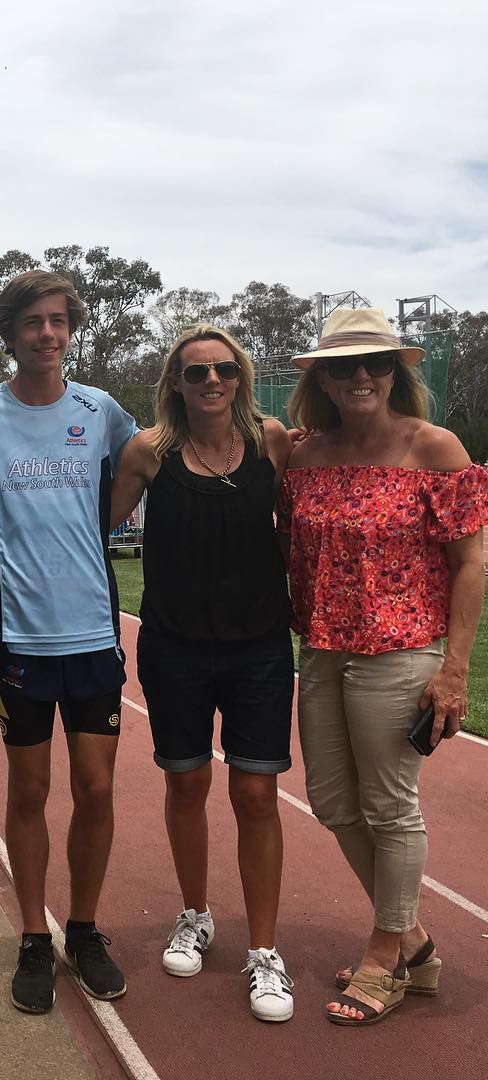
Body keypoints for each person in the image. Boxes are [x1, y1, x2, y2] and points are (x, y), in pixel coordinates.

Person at [279, 307, 487, 1026]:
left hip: (402, 651)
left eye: (375, 362)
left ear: (396, 372)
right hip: (323, 650)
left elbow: (470, 564)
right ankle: (417, 942)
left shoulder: (434, 448)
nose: (360, 375)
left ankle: (387, 951)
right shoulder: (304, 457)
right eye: (344, 365)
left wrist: (455, 670)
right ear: (322, 379)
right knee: (333, 802)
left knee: (391, 807)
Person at [0, 270, 138, 1014]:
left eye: (58, 320)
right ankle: (32, 935)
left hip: (92, 632)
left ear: (71, 329)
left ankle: (83, 929)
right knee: (29, 790)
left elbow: (143, 466)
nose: (47, 334)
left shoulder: (101, 409)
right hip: (20, 634)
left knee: (96, 789)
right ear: (10, 333)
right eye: (32, 322)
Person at [114, 324, 296, 1021]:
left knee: (256, 794)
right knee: (186, 784)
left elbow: (309, 517)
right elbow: (89, 524)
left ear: (241, 376)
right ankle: (195, 915)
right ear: (176, 383)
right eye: (196, 372)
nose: (212, 380)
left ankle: (265, 951)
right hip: (175, 647)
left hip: (259, 650)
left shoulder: (272, 443)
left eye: (224, 368)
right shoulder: (149, 452)